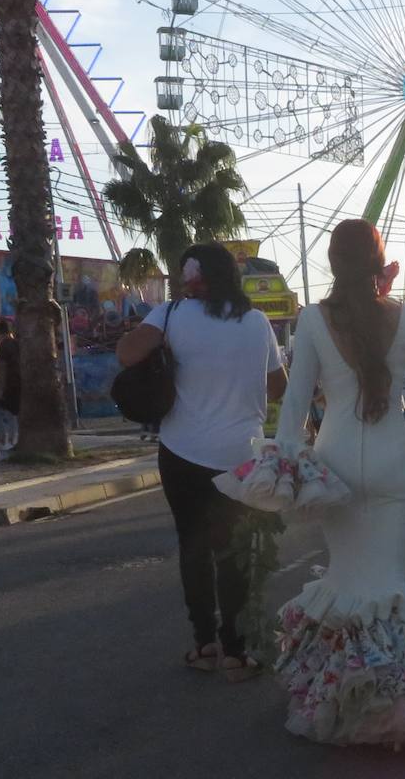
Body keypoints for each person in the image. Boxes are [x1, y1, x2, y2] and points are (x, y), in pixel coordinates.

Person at [266, 220, 405, 748]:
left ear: (332, 260)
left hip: (336, 463)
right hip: (394, 461)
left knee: (347, 579)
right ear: (377, 262)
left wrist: (285, 461)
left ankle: (346, 699)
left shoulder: (314, 320)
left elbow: (295, 404)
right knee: (390, 585)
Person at [116, 243, 287, 683]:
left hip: (181, 451)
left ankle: (204, 643)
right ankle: (235, 651)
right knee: (234, 551)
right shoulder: (257, 322)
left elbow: (127, 355)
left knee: (193, 547)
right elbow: (278, 385)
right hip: (240, 455)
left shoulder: (171, 315)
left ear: (192, 277)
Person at [0, 320, 20, 452]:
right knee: (13, 413)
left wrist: (1, 388)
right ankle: (12, 440)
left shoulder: (3, 346)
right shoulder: (18, 344)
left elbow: (3, 368)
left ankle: (6, 441)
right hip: (18, 383)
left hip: (6, 383)